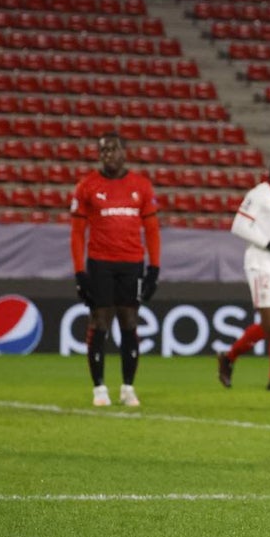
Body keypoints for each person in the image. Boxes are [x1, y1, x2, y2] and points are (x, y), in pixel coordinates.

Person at [70, 131, 161, 408]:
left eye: (112, 149)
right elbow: (77, 233)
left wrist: (154, 269)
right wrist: (80, 272)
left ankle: (127, 388)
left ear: (124, 152)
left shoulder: (141, 186)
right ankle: (99, 388)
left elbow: (152, 230)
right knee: (99, 322)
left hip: (132, 263)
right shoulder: (87, 186)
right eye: (103, 150)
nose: (107, 154)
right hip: (100, 263)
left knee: (129, 322)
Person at [218, 154, 270, 391]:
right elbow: (239, 226)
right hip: (261, 264)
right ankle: (228, 357)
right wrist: (268, 244)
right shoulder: (258, 194)